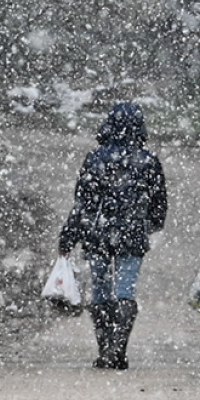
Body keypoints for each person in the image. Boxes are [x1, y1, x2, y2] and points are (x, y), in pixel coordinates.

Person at [59, 102, 168, 370]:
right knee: (125, 290)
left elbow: (82, 202)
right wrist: (150, 225)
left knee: (101, 289)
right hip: (132, 235)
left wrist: (69, 235)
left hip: (97, 234)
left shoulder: (94, 159)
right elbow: (159, 204)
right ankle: (119, 347)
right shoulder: (148, 161)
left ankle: (105, 346)